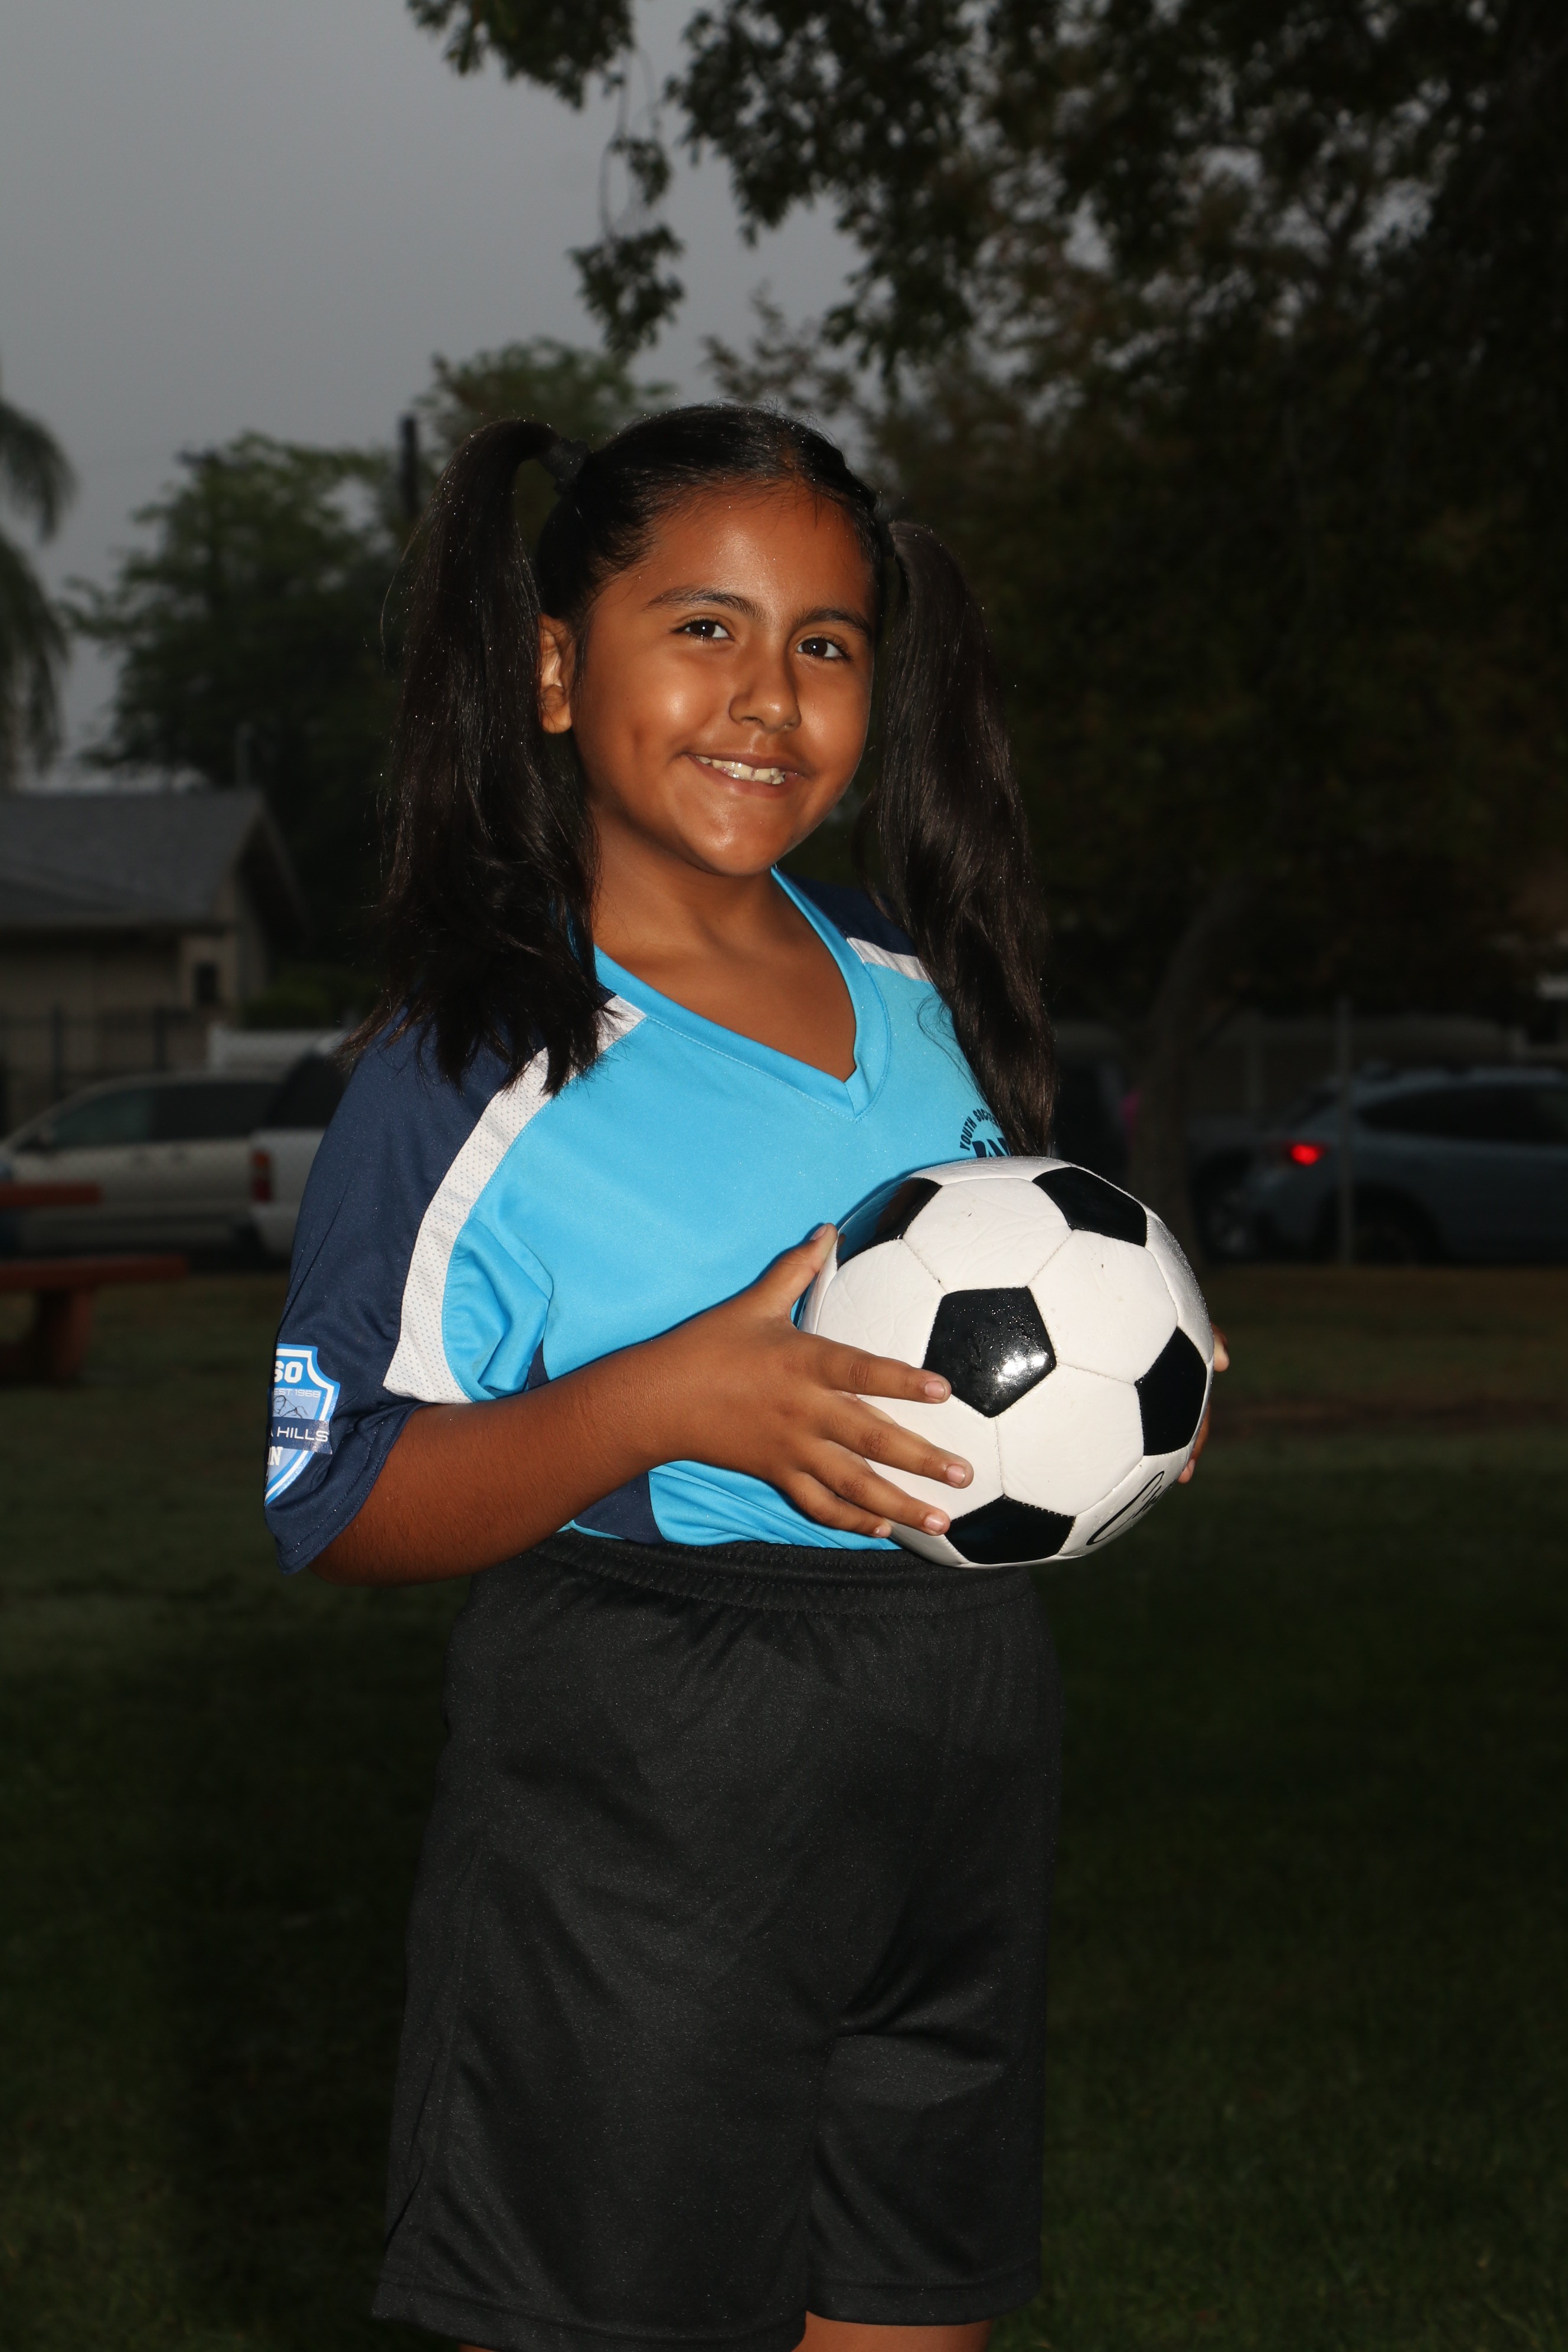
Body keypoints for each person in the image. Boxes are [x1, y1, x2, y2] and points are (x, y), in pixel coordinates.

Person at [263, 406, 1216, 2352]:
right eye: (704, 627)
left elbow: (1028, 1288)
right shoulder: (473, 1061)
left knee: (910, 2297)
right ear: (555, 666)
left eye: (826, 643)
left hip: (959, 1742)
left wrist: (1142, 1389)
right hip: (650, 1776)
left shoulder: (908, 981)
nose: (768, 697)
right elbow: (330, 1498)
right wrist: (663, 1402)